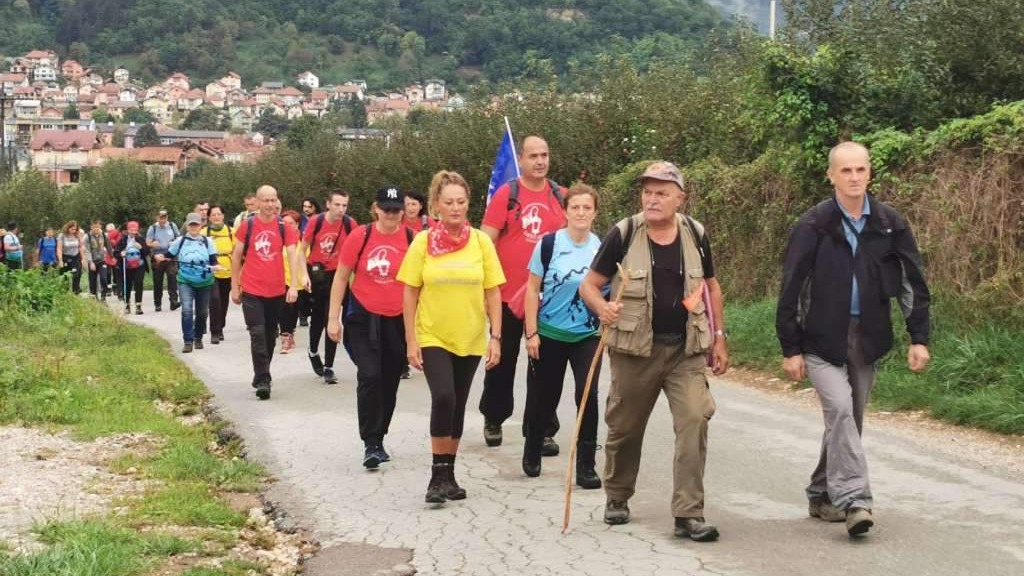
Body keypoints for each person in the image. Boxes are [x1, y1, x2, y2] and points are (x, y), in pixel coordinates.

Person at [776, 141, 931, 537]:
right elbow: (791, 287)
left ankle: (819, 491)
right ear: (831, 176)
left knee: (849, 420)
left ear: (869, 173)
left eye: (860, 169)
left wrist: (919, 338)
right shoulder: (813, 225)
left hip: (869, 336)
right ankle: (856, 501)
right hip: (821, 341)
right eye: (846, 171)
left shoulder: (889, 223)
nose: (854, 177)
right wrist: (790, 348)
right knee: (841, 412)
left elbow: (913, 282)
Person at [578, 160, 728, 542]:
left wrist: (720, 335)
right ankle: (617, 495)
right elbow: (590, 286)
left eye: (662, 192)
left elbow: (710, 287)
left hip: (685, 351)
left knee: (695, 420)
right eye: (647, 191)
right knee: (625, 428)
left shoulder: (695, 233)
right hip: (634, 352)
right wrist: (603, 307)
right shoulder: (623, 233)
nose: (652, 198)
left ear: (680, 197)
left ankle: (688, 514)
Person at [397, 170, 504, 504]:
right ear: (436, 206)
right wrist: (411, 340)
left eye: (461, 202)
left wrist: (495, 337)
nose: (455, 208)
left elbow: (493, 292)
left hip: (471, 336)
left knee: (457, 404)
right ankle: (435, 475)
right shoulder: (423, 242)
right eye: (448, 203)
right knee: (443, 397)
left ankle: (449, 474)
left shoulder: (481, 242)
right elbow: (410, 292)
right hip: (433, 334)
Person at [478, 135, 567, 453]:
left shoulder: (560, 196)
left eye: (545, 155)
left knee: (544, 366)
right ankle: (494, 417)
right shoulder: (508, 194)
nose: (540, 161)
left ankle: (541, 429)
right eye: (533, 156)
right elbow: (486, 243)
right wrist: (485, 288)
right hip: (506, 295)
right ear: (522, 159)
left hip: (547, 299)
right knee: (502, 362)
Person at [521, 184, 604, 489]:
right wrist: (531, 333)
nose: (581, 213)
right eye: (575, 207)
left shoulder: (602, 248)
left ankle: (586, 465)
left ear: (595, 212)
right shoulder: (549, 244)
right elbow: (531, 289)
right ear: (566, 211)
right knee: (544, 396)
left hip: (587, 335)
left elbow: (608, 290)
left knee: (587, 395)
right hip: (550, 333)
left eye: (587, 208)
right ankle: (532, 447)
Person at [327, 186, 415, 469]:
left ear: (403, 211)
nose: (391, 214)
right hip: (363, 319)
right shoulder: (361, 236)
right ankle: (370, 442)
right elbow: (341, 278)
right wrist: (332, 318)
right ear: (376, 208)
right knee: (370, 375)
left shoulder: (412, 239)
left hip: (398, 321)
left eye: (396, 209)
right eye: (386, 208)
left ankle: (380, 435)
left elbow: (420, 286)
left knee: (389, 381)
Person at [229, 185, 303, 400]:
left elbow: (293, 256)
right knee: (258, 333)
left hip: (276, 290)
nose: (270, 205)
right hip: (251, 288)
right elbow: (236, 257)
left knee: (270, 335)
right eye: (266, 200)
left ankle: (261, 373)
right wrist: (235, 287)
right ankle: (263, 379)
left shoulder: (284, 228)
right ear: (258, 202)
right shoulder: (247, 226)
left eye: (273, 200)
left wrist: (293, 286)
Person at [300, 190, 355, 385]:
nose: (341, 209)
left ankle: (329, 367)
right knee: (318, 319)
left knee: (333, 318)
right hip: (317, 274)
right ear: (328, 204)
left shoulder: (349, 224)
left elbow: (357, 250)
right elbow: (301, 249)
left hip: (338, 276)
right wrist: (304, 274)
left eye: (345, 205)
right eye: (338, 204)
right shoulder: (317, 221)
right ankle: (313, 350)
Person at [161, 212, 220, 352]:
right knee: (187, 310)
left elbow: (213, 261)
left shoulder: (208, 241)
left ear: (201, 225)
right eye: (191, 224)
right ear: (187, 225)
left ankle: (198, 337)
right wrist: (160, 257)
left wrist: (215, 266)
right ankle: (188, 341)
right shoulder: (180, 241)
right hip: (185, 280)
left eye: (196, 224)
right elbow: (168, 256)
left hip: (205, 282)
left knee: (202, 313)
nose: (194, 227)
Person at [202, 206, 234, 344]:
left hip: (227, 270)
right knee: (214, 299)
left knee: (224, 301)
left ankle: (220, 327)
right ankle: (215, 331)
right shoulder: (203, 233)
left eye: (219, 214)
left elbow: (238, 251)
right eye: (213, 215)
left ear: (223, 216)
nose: (216, 217)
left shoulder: (232, 232)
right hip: (211, 270)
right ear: (209, 217)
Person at [277, 209, 304, 354]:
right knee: (285, 310)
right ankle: (286, 337)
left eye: (291, 223)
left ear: (297, 225)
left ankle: (290, 333)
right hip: (283, 281)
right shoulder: (278, 241)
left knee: (295, 311)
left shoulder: (303, 242)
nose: (287, 226)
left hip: (301, 283)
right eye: (284, 223)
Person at [146, 209, 181, 312]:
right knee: (158, 281)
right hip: (157, 257)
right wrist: (153, 244)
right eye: (161, 217)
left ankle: (173, 302)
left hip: (170, 255)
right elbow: (147, 242)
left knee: (172, 277)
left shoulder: (172, 226)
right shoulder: (153, 228)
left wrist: (174, 242)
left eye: (165, 217)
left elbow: (179, 238)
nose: (163, 219)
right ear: (157, 218)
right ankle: (157, 304)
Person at [114, 221, 150, 315]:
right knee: (127, 285)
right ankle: (127, 305)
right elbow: (116, 252)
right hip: (127, 266)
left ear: (137, 230)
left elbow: (146, 252)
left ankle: (138, 306)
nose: (133, 232)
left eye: (135, 230)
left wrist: (141, 248)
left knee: (138, 283)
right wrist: (121, 253)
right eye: (131, 230)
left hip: (139, 265)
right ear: (127, 230)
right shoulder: (122, 240)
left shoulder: (140, 239)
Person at [83, 220, 113, 300]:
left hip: (102, 260)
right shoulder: (87, 237)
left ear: (100, 227)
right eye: (94, 227)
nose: (96, 228)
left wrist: (112, 256)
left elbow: (108, 246)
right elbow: (87, 250)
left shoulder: (103, 235)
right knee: (92, 281)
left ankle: (103, 297)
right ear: (91, 227)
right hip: (92, 261)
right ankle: (94, 297)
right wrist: (91, 262)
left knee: (104, 278)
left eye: (98, 227)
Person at [57, 221, 88, 293]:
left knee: (77, 274)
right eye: (72, 229)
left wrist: (83, 258)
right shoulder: (62, 236)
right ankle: (64, 292)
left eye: (75, 229)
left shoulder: (77, 235)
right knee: (65, 276)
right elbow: (59, 248)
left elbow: (80, 247)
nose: (73, 231)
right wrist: (60, 260)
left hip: (76, 257)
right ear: (68, 228)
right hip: (66, 257)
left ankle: (76, 291)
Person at [106, 224, 122, 298]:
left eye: (111, 231)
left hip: (115, 255)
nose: (110, 232)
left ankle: (115, 288)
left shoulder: (118, 235)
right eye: (108, 231)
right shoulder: (106, 235)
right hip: (107, 256)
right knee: (108, 273)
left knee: (115, 272)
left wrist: (113, 243)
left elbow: (118, 243)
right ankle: (108, 288)